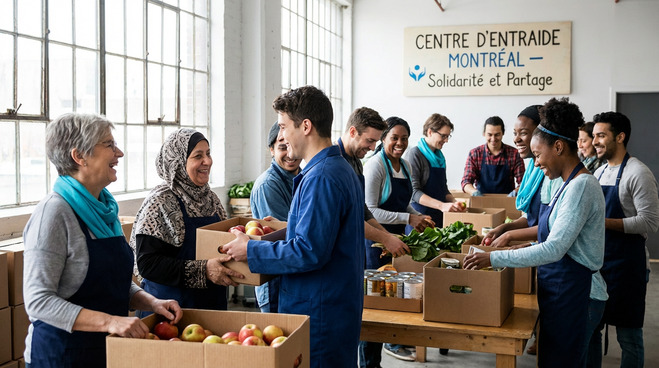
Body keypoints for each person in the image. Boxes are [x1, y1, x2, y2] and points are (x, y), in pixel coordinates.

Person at [23, 113, 182, 368]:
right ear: (79, 156)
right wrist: (111, 321)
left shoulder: (104, 208)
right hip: (62, 356)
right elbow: (39, 301)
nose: (118, 152)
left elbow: (111, 281)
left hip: (107, 351)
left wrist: (151, 301)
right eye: (108, 144)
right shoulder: (53, 214)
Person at [223, 85, 365, 368]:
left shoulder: (321, 177)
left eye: (284, 126)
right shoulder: (333, 169)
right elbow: (317, 236)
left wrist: (251, 249)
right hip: (330, 305)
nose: (283, 135)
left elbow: (309, 251)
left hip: (319, 311)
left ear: (306, 126)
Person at [464, 98, 607, 367]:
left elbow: (554, 249)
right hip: (562, 290)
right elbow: (554, 237)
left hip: (579, 295)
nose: (537, 163)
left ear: (559, 147)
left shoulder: (581, 187)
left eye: (539, 155)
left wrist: (493, 258)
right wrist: (515, 246)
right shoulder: (565, 184)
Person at [131, 128, 243, 316]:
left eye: (208, 153)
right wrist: (203, 270)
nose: (207, 161)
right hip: (168, 312)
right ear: (178, 163)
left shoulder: (210, 199)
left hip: (210, 308)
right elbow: (147, 264)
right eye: (198, 156)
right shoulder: (160, 202)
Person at [362, 117, 434, 365]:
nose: (400, 143)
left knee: (392, 299)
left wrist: (415, 216)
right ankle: (370, 361)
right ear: (383, 139)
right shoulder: (375, 166)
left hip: (395, 241)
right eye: (394, 137)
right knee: (374, 307)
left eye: (404, 138)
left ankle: (385, 350)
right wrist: (407, 217)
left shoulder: (405, 166)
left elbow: (402, 203)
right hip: (374, 242)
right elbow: (369, 210)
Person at [591, 111, 659, 367]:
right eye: (595, 135)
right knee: (593, 331)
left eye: (601, 135)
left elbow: (649, 222)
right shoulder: (598, 173)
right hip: (600, 265)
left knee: (629, 336)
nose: (595, 141)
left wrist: (602, 223)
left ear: (620, 137)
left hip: (629, 268)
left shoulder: (638, 173)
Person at [337, 107, 410, 258]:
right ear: (352, 132)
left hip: (353, 246)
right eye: (370, 141)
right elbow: (347, 218)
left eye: (375, 142)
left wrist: (387, 236)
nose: (372, 148)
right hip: (337, 249)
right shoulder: (335, 164)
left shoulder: (356, 162)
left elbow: (362, 209)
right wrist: (386, 238)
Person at [250, 121, 301, 313]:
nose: (290, 154)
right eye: (282, 147)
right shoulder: (268, 185)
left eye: (293, 146)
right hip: (274, 282)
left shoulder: (302, 178)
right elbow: (283, 235)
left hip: (292, 279)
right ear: (271, 150)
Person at [404, 113, 465, 227]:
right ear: (430, 132)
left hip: (439, 216)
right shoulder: (414, 154)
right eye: (443, 136)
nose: (446, 140)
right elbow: (414, 192)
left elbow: (443, 190)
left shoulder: (440, 157)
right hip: (420, 217)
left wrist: (454, 202)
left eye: (448, 136)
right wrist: (442, 206)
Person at [461, 116, 525, 196]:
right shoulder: (475, 154)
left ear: (503, 133)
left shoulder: (514, 154)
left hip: (507, 203)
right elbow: (466, 181)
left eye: (497, 134)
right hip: (482, 203)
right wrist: (473, 192)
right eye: (490, 135)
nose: (493, 139)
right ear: (484, 134)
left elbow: (523, 183)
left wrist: (516, 192)